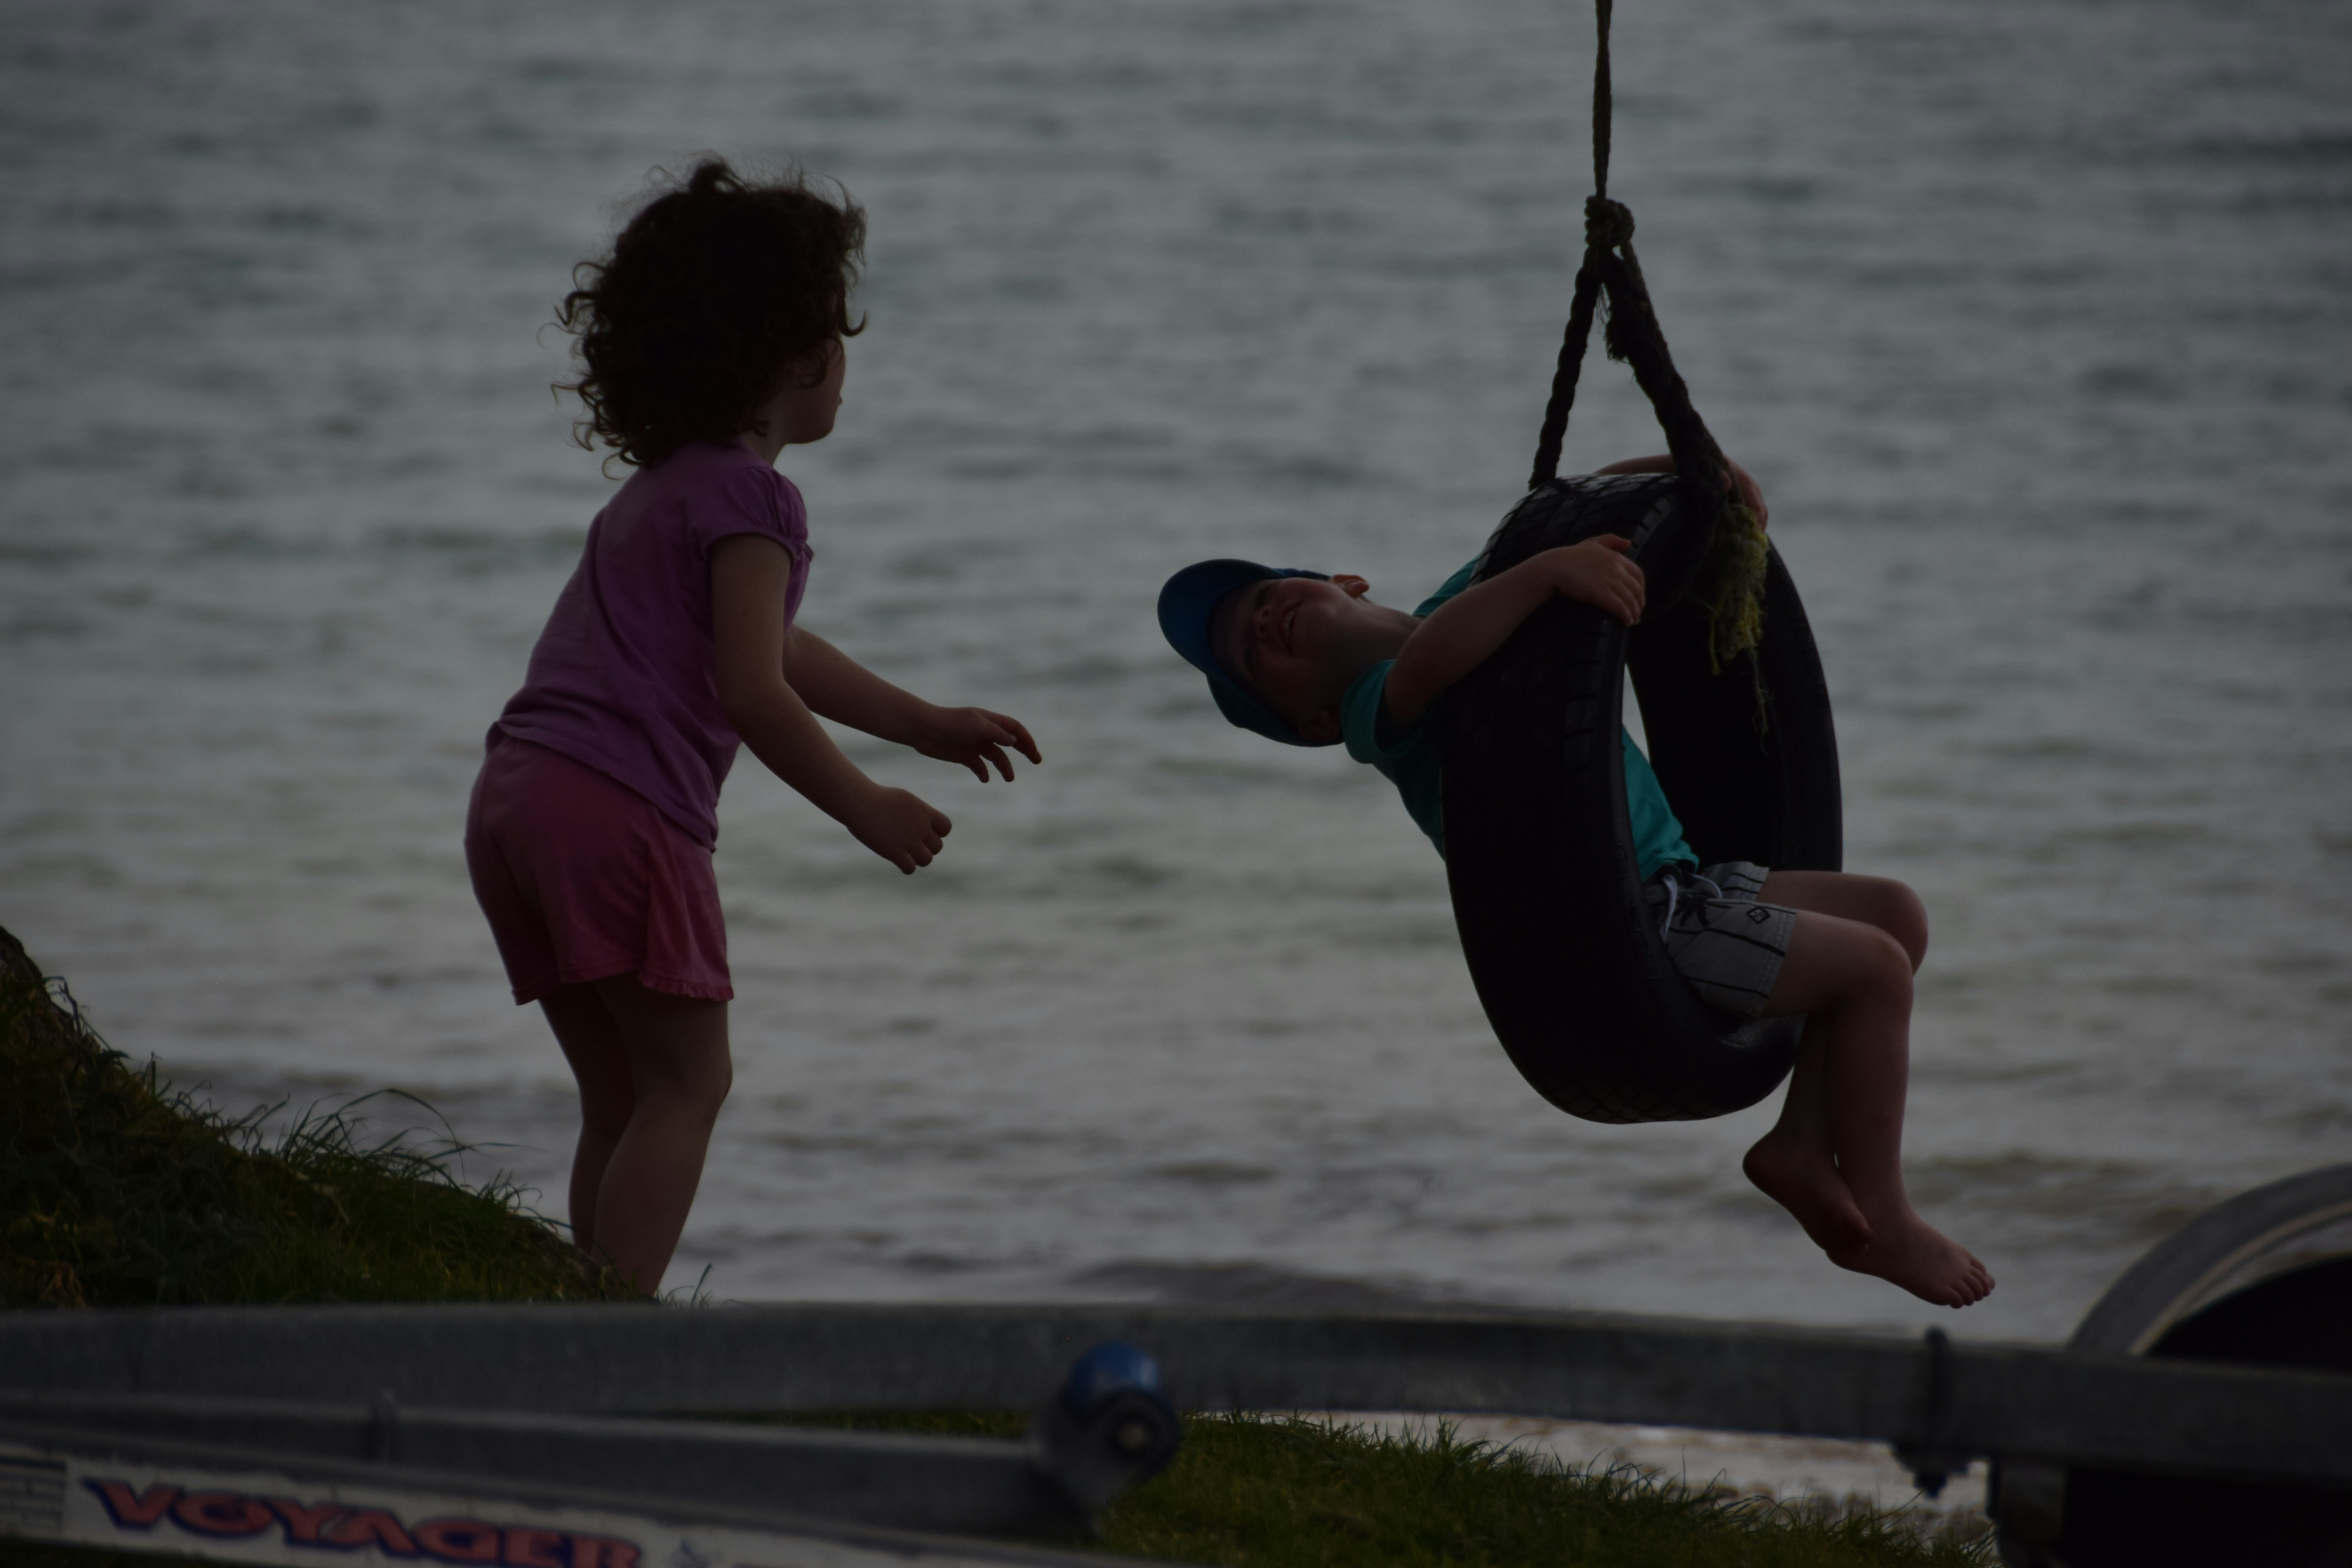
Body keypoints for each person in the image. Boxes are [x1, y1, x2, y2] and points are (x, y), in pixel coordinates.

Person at [1156, 455, 1991, 1308]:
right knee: (1875, 972)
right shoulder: (1376, 716)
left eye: (1263, 600)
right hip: (1644, 919)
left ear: (1345, 583)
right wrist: (1550, 573)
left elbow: (1584, 515)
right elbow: (1439, 653)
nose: (1264, 625)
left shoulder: (1470, 599)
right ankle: (1885, 1213)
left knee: (1895, 913)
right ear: (1315, 724)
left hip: (1689, 882)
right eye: (1251, 656)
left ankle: (1802, 1143)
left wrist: (1689, 475)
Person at [465, 160, 1041, 1294]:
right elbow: (753, 687)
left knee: (624, 1095)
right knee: (691, 1086)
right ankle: (609, 1328)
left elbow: (775, 646)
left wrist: (920, 723)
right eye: (839, 336)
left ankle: (576, 1304)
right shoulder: (758, 497)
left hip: (520, 797)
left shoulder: (659, 491)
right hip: (623, 809)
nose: (848, 361)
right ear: (795, 356)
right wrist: (864, 805)